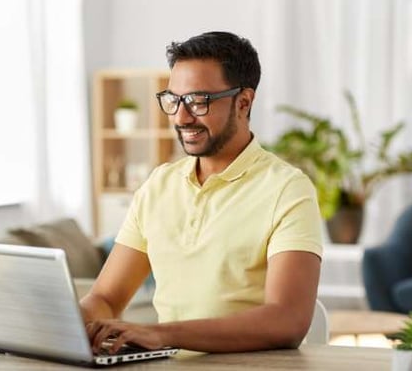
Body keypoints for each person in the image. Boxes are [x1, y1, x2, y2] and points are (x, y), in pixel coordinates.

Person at [80, 31, 323, 354]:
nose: (181, 117)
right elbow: (106, 298)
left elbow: (288, 320)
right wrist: (62, 325)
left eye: (198, 101)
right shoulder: (159, 185)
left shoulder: (288, 190)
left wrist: (163, 334)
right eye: (174, 100)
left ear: (244, 102)